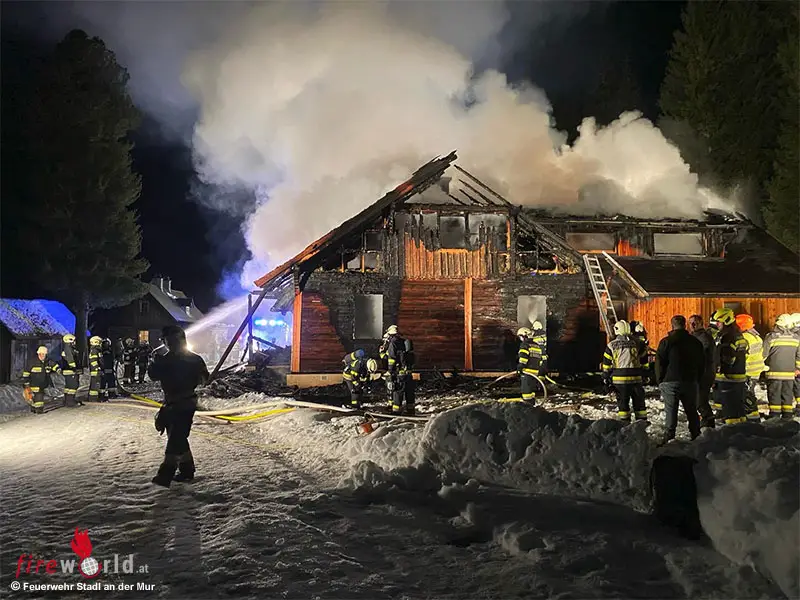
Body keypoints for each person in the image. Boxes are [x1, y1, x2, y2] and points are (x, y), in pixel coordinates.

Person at [148, 325, 209, 487]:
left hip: (183, 403)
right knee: (178, 437)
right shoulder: (193, 359)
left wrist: (155, 361)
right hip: (176, 403)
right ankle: (187, 470)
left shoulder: (167, 359)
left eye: (169, 340)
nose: (169, 344)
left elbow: (153, 375)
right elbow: (205, 378)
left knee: (175, 438)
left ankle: (165, 474)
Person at [655, 315, 705, 442]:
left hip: (670, 381)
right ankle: (696, 434)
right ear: (685, 325)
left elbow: (659, 363)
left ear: (672, 326)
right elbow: (701, 362)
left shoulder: (666, 342)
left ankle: (669, 436)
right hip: (690, 380)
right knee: (691, 410)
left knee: (671, 410)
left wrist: (660, 380)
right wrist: (697, 378)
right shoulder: (695, 342)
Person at [601, 320, 648, 422]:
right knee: (640, 406)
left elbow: (606, 365)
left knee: (623, 406)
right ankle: (642, 425)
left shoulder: (611, 345)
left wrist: (606, 378)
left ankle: (625, 425)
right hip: (636, 380)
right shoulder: (637, 343)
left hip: (620, 382)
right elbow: (644, 359)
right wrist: (645, 373)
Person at [710, 308, 748, 424]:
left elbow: (728, 358)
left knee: (730, 409)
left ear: (726, 321)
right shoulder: (738, 335)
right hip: (739, 376)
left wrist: (719, 369)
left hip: (728, 378)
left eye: (719, 322)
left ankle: (733, 430)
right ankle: (742, 428)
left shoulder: (727, 337)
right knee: (738, 408)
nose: (717, 324)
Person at [763, 313, 800, 419]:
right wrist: (797, 368)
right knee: (787, 395)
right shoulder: (796, 338)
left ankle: (775, 416)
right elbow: (798, 356)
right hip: (790, 373)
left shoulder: (771, 337)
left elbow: (764, 354)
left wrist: (762, 366)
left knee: (774, 394)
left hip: (773, 372)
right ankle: (787, 416)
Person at [688, 315, 716, 428]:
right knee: (696, 399)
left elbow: (702, 355)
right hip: (696, 373)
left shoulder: (704, 337)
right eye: (691, 323)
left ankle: (708, 421)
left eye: (695, 322)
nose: (692, 325)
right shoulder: (693, 337)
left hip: (705, 373)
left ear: (701, 323)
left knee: (701, 400)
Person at [380, 325, 415, 416]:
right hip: (408, 372)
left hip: (399, 373)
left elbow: (391, 359)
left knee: (397, 391)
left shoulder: (393, 343)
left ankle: (396, 411)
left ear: (390, 335)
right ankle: (411, 410)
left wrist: (390, 371)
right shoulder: (404, 342)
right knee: (409, 392)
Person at [735, 314, 765, 422]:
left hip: (747, 371)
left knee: (746, 396)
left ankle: (751, 418)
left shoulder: (744, 338)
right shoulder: (756, 336)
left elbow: (741, 356)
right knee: (750, 394)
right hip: (756, 371)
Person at [22, 346, 61, 414]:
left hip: (43, 383)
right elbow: (26, 373)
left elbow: (53, 365)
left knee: (37, 396)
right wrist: (26, 382)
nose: (42, 355)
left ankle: (34, 408)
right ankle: (39, 410)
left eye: (44, 354)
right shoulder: (32, 362)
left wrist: (58, 369)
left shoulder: (47, 361)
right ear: (38, 354)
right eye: (41, 354)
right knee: (38, 396)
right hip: (33, 382)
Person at [517, 323, 546, 403]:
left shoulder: (525, 345)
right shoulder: (537, 345)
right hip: (535, 373)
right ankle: (532, 405)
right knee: (532, 392)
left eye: (520, 336)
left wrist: (520, 367)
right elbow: (540, 360)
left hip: (526, 372)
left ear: (524, 336)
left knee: (526, 392)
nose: (520, 339)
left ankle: (527, 406)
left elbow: (523, 357)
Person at [61, 334, 82, 407]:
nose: (74, 343)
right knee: (73, 386)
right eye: (73, 341)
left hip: (68, 371)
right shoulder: (68, 349)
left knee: (68, 386)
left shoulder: (68, 348)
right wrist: (75, 368)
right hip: (71, 371)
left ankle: (67, 400)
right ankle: (70, 401)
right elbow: (71, 360)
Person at [87, 336, 103, 402]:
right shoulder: (94, 350)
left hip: (96, 370)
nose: (100, 344)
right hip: (95, 370)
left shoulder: (96, 350)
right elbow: (93, 360)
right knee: (95, 384)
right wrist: (97, 367)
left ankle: (94, 397)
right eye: (99, 342)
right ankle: (93, 398)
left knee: (95, 384)